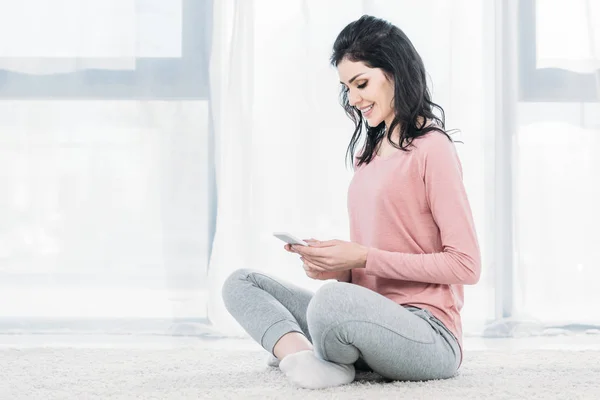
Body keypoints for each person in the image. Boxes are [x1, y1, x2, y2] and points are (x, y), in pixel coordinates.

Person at [221, 15, 481, 390]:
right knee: (241, 283)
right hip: (365, 313)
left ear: (396, 72)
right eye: (347, 87)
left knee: (331, 303)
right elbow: (374, 258)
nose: (354, 99)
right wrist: (337, 267)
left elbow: (466, 265)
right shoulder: (368, 155)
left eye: (361, 83)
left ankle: (320, 354)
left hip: (427, 332)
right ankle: (300, 357)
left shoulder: (432, 149)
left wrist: (360, 259)